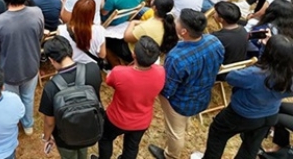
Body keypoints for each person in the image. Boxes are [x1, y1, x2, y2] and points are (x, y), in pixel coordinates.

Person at [147, 9, 225, 159]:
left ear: (183, 31)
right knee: (180, 126)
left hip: (181, 103)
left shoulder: (177, 57)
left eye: (177, 21)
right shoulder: (214, 42)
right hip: (203, 96)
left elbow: (168, 88)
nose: (174, 22)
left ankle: (170, 155)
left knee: (176, 132)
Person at [201, 34, 293, 158]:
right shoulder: (288, 76)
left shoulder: (255, 74)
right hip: (270, 115)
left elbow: (231, 78)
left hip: (241, 114)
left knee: (217, 133)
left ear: (268, 52)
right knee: (250, 149)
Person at [0, 0, 44, 135]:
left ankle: (12, 124)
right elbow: (39, 36)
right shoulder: (37, 13)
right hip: (31, 65)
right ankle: (28, 125)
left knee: (11, 100)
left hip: (8, 68)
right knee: (28, 97)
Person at [99, 37, 165, 159]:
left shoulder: (119, 72)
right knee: (131, 147)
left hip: (116, 118)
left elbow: (109, 82)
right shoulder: (161, 72)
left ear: (134, 54)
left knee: (105, 139)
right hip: (142, 121)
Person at [38, 35, 102, 158]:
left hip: (65, 138)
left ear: (51, 60)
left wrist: (46, 138)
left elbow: (50, 123)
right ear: (70, 51)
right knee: (83, 152)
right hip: (88, 128)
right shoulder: (93, 69)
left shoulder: (51, 87)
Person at [211, 1, 248, 66]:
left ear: (221, 19)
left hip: (221, 70)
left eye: (215, 13)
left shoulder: (217, 38)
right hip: (236, 66)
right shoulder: (243, 30)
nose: (213, 14)